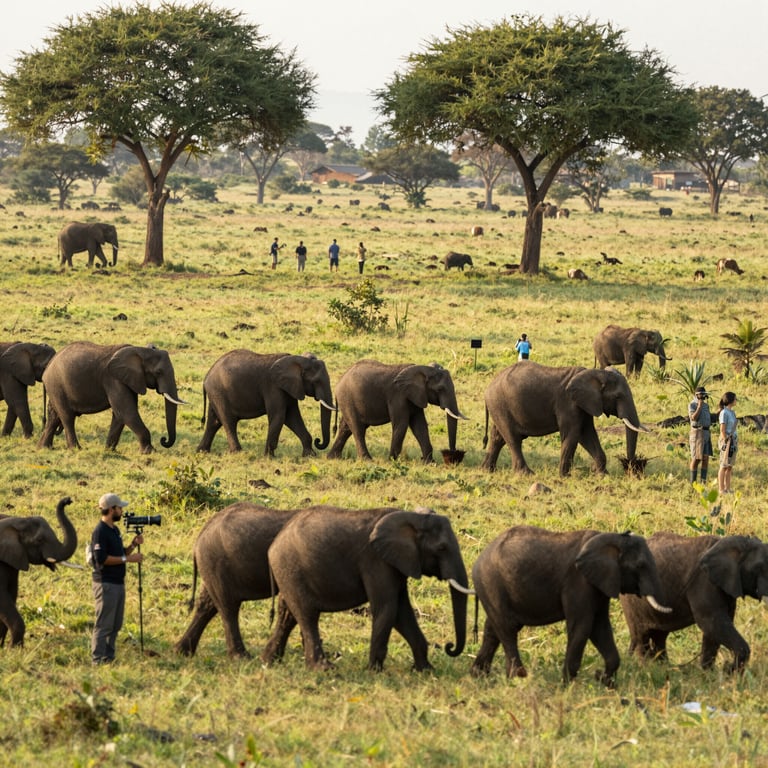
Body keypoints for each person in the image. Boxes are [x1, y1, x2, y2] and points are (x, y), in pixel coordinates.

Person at [90, 493, 144, 664]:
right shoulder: (100, 532)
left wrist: (133, 545)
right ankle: (97, 659)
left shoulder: (115, 530)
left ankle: (109, 657)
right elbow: (101, 559)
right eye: (120, 508)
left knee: (115, 625)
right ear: (112, 509)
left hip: (118, 583)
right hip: (106, 584)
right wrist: (128, 559)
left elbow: (120, 553)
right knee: (104, 624)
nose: (122, 511)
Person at [688, 386, 712, 484]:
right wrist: (699, 406)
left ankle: (703, 482)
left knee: (705, 458)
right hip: (697, 432)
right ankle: (692, 483)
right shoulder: (692, 404)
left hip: (706, 432)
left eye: (704, 394)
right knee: (696, 458)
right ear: (696, 395)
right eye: (701, 395)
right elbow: (693, 418)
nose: (702, 396)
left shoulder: (706, 406)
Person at [717, 391, 738, 494]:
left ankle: (728, 488)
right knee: (724, 465)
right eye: (735, 399)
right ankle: (721, 489)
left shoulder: (732, 413)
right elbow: (722, 429)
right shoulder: (724, 413)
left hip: (733, 440)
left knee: (730, 466)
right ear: (730, 400)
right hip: (727, 441)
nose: (736, 401)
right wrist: (725, 441)